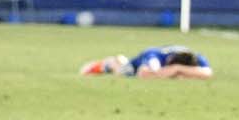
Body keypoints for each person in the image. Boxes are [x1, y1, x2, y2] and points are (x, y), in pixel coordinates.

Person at [80, 46, 212, 79]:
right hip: (137, 64)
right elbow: (144, 73)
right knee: (123, 71)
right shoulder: (155, 57)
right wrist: (176, 72)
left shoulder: (194, 57)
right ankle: (110, 63)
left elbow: (208, 73)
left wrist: (178, 69)